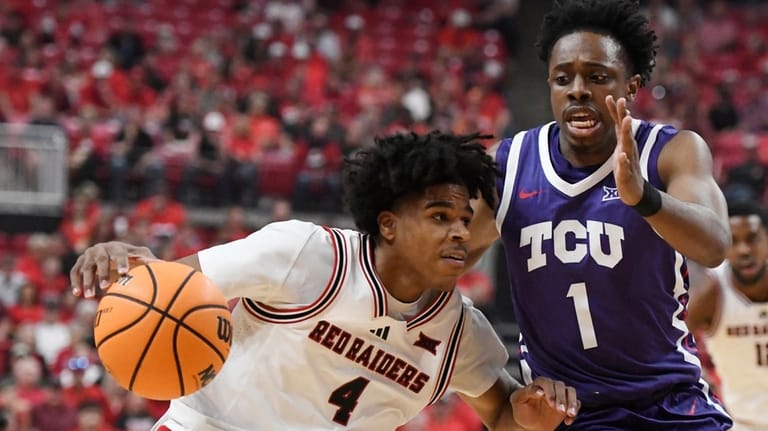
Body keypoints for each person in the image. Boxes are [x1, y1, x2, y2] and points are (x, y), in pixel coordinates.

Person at [70, 131, 580, 431]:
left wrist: (532, 419)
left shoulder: (460, 333)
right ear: (388, 224)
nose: (460, 233)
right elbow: (165, 288)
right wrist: (124, 264)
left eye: (466, 219)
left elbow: (504, 415)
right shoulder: (304, 254)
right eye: (440, 216)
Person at [467, 0, 733, 429]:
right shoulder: (508, 164)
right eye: (562, 78)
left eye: (597, 77)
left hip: (669, 402)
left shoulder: (671, 152)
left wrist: (644, 197)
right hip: (567, 412)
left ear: (631, 85)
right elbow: (444, 263)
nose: (577, 90)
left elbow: (715, 244)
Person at [686, 200, 768, 431]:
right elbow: (670, 347)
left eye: (752, 239)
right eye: (734, 241)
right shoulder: (710, 291)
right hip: (740, 422)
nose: (744, 250)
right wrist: (700, 379)